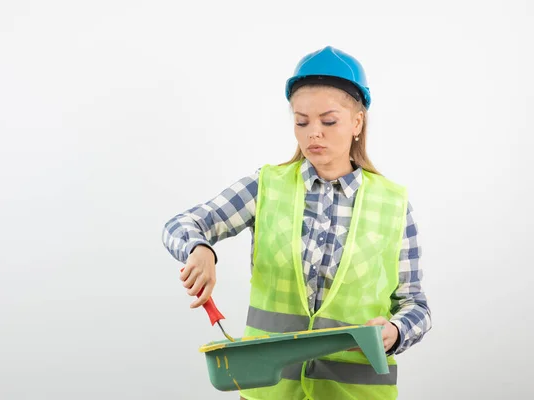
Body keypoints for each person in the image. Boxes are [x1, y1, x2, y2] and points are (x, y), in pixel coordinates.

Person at [161, 46, 431, 400]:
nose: (312, 133)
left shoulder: (394, 204)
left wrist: (395, 331)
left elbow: (416, 305)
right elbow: (181, 224)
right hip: (269, 391)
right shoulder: (267, 186)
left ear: (357, 122)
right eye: (301, 121)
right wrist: (199, 249)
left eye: (328, 121)